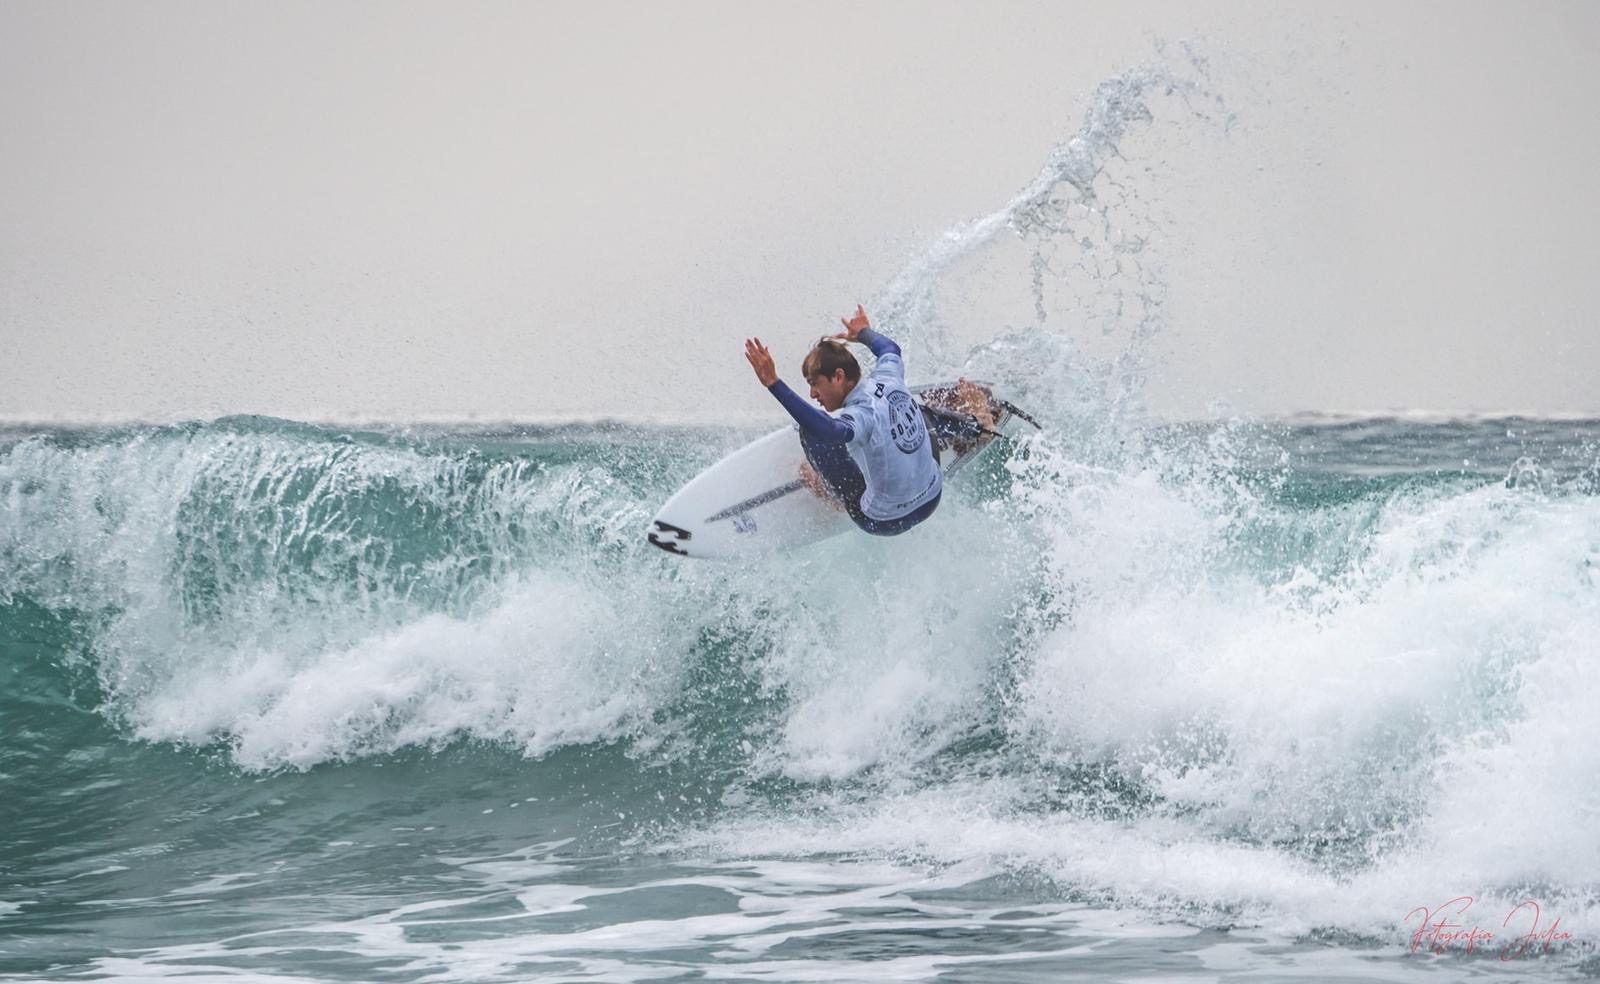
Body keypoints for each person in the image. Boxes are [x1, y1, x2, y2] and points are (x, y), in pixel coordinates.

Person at [743, 305, 945, 536]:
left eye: (814, 383)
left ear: (838, 376)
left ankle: (825, 489)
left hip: (884, 520)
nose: (812, 395)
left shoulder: (862, 414)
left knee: (811, 431)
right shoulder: (889, 376)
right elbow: (890, 348)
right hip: (932, 498)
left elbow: (829, 430)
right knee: (911, 408)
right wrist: (863, 333)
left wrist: (773, 383)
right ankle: (963, 429)